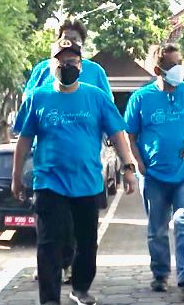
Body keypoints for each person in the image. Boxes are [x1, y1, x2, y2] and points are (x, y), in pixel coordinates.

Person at [12, 37, 138, 305]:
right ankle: (49, 301)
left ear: (81, 65)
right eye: (61, 61)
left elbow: (117, 133)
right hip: (49, 181)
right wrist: (16, 176)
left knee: (86, 241)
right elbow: (24, 139)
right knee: (49, 241)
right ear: (51, 65)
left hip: (86, 182)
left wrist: (128, 167)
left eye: (72, 61)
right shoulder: (38, 97)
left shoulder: (96, 97)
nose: (66, 66)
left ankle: (81, 287)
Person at [13, 18, 112, 284]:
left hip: (83, 159)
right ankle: (52, 266)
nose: (70, 43)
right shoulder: (43, 70)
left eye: (75, 40)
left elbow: (107, 111)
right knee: (51, 220)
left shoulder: (94, 72)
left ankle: (72, 270)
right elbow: (28, 106)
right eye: (65, 38)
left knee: (80, 226)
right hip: (47, 159)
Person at [125, 44, 184, 301]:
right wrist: (137, 163)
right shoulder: (141, 98)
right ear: (157, 70)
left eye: (179, 62)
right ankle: (160, 273)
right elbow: (130, 135)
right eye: (172, 65)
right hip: (154, 177)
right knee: (157, 229)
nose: (178, 69)